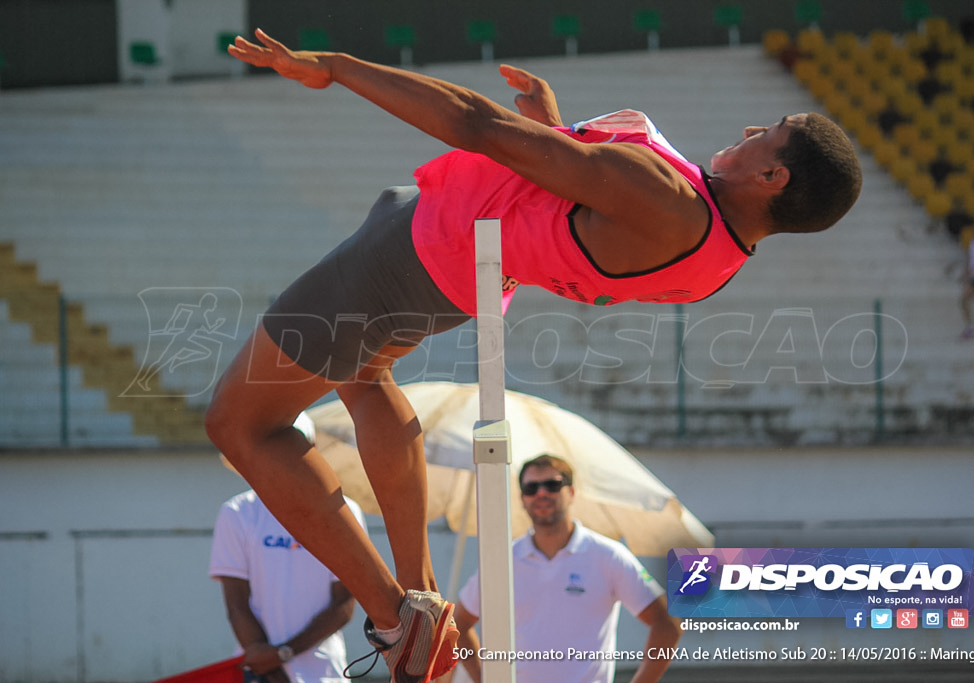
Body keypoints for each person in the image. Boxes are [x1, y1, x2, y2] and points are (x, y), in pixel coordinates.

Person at [207, 29, 861, 683]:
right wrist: (559, 133)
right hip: (455, 278)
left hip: (411, 258)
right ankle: (418, 593)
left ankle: (395, 619)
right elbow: (587, 224)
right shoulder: (717, 257)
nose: (752, 127)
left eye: (769, 130)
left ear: (772, 176)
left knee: (240, 424)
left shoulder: (672, 200)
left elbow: (476, 124)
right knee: (363, 377)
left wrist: (341, 67)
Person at [452, 455, 681, 683]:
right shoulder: (503, 561)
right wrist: (483, 679)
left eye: (552, 485)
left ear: (571, 493)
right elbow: (458, 625)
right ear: (522, 498)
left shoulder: (608, 556)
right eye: (532, 488)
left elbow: (668, 624)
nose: (541, 493)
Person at [209, 488, 367, 683]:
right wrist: (273, 671)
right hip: (260, 674)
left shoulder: (344, 511)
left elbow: (344, 603)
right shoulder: (237, 511)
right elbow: (236, 604)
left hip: (326, 674)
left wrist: (283, 654)